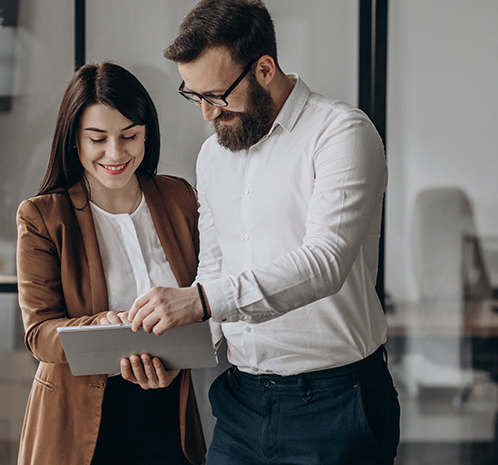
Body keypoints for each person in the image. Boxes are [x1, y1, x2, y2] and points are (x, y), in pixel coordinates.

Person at [110, 1, 401, 463]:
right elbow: (216, 267)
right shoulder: (213, 157)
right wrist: (177, 355)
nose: (206, 114)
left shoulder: (341, 133)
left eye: (217, 96)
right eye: (194, 95)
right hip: (240, 402)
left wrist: (201, 300)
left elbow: (324, 263)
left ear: (265, 68)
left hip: (335, 402)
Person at [15, 62, 206, 465]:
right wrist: (97, 325)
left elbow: (207, 296)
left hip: (169, 414)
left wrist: (175, 356)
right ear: (74, 142)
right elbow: (39, 333)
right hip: (76, 422)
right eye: (97, 139)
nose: (116, 153)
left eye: (129, 136)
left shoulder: (180, 199)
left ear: (146, 133)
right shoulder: (43, 217)